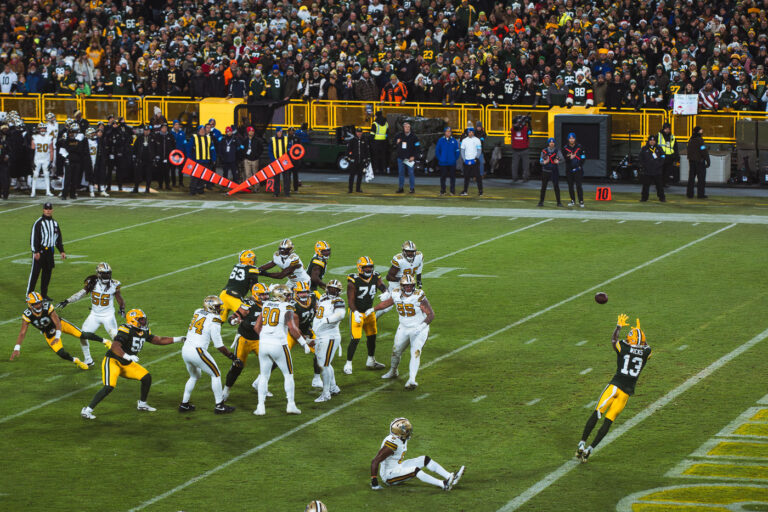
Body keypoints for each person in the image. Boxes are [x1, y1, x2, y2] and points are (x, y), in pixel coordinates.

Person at [80, 309, 184, 420]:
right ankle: (87, 410)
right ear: (133, 320)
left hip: (127, 364)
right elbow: (114, 346)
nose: (144, 321)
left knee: (146, 378)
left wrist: (179, 339)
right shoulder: (126, 330)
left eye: (144, 319)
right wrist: (127, 356)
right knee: (109, 386)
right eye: (141, 319)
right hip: (113, 361)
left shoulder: (143, 331)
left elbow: (158, 340)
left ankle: (142, 404)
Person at [577, 315, 651, 462]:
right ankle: (590, 449)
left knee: (597, 412)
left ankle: (582, 443)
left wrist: (618, 327)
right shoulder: (646, 353)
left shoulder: (623, 346)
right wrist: (641, 334)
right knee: (608, 421)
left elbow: (613, 340)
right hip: (625, 394)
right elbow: (646, 346)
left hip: (614, 387)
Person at [253, 284, 312, 416]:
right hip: (278, 345)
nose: (290, 297)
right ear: (282, 295)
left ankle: (260, 407)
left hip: (263, 344)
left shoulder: (267, 304)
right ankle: (290, 405)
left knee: (264, 376)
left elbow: (257, 327)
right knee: (288, 375)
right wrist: (304, 344)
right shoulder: (287, 307)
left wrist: (265, 337)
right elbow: (292, 328)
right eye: (288, 294)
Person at [10, 291, 104, 370]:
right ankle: (76, 361)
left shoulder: (47, 307)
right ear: (30, 305)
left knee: (82, 335)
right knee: (61, 353)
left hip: (60, 325)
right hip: (49, 333)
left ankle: (105, 341)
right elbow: (22, 332)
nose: (39, 305)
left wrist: (58, 336)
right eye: (36, 304)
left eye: (40, 302)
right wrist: (17, 348)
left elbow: (57, 322)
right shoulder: (27, 315)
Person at [56, 262, 125, 364]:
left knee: (116, 338)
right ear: (98, 274)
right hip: (94, 315)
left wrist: (122, 308)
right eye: (104, 273)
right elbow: (81, 293)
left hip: (108, 315)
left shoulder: (115, 284)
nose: (106, 276)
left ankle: (124, 357)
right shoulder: (92, 282)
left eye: (108, 273)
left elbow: (119, 297)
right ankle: (88, 359)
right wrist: (68, 301)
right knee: (83, 335)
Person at [178, 296, 238, 414]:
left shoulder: (197, 311)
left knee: (194, 376)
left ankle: (184, 404)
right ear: (210, 307)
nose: (220, 308)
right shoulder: (215, 320)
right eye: (217, 306)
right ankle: (219, 405)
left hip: (185, 349)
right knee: (216, 374)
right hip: (197, 351)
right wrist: (232, 356)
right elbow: (219, 345)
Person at [375, 275, 435, 390]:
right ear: (402, 286)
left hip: (419, 327)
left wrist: (421, 327)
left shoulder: (419, 295)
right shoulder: (396, 293)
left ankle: (412, 379)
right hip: (403, 326)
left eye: (411, 285)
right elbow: (388, 303)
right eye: (406, 286)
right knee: (396, 350)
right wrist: (372, 309)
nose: (408, 288)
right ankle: (393, 371)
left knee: (416, 352)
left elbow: (431, 314)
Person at [370, 417, 465, 490]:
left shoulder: (400, 438)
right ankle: (443, 484)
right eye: (407, 431)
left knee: (425, 459)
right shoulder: (391, 444)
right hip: (389, 475)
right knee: (415, 470)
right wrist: (374, 481)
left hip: (398, 467)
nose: (409, 432)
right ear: (400, 433)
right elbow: (375, 461)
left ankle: (450, 477)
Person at [221, 283, 271, 402]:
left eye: (266, 294)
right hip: (245, 339)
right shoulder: (248, 305)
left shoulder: (270, 305)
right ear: (255, 295)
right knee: (237, 365)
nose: (265, 297)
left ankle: (260, 384)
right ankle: (226, 390)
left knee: (270, 363)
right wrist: (234, 320)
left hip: (260, 340)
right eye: (262, 295)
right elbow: (233, 317)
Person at [344, 256, 388, 375]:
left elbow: (381, 285)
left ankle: (371, 360)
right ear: (360, 268)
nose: (369, 269)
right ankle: (348, 363)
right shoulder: (353, 280)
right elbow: (351, 300)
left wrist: (386, 292)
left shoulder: (375, 276)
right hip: (357, 312)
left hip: (369, 312)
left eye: (370, 267)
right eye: (366, 267)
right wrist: (355, 312)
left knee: (372, 337)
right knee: (356, 338)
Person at [312, 280, 345, 402]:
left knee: (323, 365)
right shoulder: (323, 298)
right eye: (331, 288)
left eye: (335, 289)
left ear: (339, 291)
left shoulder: (338, 301)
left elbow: (340, 314)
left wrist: (326, 320)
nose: (333, 291)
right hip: (321, 335)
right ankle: (333, 387)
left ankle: (326, 394)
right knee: (326, 363)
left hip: (329, 336)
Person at [27, 202, 66, 299]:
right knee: (35, 274)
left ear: (52, 210)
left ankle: (44, 295)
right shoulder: (39, 223)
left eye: (49, 209)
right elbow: (34, 238)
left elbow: (58, 238)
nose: (48, 211)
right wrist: (35, 251)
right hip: (40, 251)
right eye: (46, 209)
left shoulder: (55, 223)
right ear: (43, 210)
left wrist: (61, 251)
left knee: (47, 274)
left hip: (50, 252)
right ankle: (29, 295)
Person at [219, 250, 261, 323]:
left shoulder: (236, 266)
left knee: (218, 322)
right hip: (233, 296)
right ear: (250, 260)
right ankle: (240, 330)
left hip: (223, 294)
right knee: (247, 313)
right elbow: (254, 287)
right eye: (253, 259)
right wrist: (256, 297)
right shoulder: (252, 270)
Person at [59, 125, 87, 200]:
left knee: (75, 179)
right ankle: (64, 194)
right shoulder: (66, 141)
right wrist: (67, 157)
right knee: (67, 179)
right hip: (69, 161)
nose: (72, 134)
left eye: (73, 132)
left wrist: (72, 151)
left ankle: (72, 194)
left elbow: (80, 151)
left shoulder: (78, 141)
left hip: (77, 161)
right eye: (70, 132)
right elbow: (62, 151)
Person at [639, 135, 666, 203]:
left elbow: (663, 156)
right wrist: (644, 165)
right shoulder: (644, 148)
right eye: (651, 140)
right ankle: (644, 198)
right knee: (645, 186)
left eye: (653, 140)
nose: (652, 142)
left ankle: (662, 198)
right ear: (648, 141)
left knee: (659, 185)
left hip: (657, 170)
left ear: (655, 141)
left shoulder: (659, 148)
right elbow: (640, 158)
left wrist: (660, 164)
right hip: (647, 170)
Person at [395, 121, 419, 193]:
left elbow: (418, 147)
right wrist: (396, 142)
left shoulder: (414, 137)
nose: (407, 128)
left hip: (409, 159)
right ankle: (401, 188)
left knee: (411, 173)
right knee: (401, 173)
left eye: (408, 127)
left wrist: (414, 156)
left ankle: (412, 189)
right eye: (405, 127)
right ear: (403, 128)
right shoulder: (399, 135)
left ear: (410, 128)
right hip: (401, 158)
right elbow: (393, 142)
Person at [538, 138, 563, 207]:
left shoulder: (557, 151)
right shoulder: (544, 151)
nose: (551, 143)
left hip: (554, 171)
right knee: (543, 187)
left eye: (553, 142)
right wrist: (544, 162)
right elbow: (540, 161)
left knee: (556, 187)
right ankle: (541, 202)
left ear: (554, 143)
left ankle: (559, 202)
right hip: (545, 171)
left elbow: (562, 159)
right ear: (548, 143)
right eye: (550, 142)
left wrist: (558, 162)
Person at [562, 133, 586, 207]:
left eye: (573, 138)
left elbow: (583, 157)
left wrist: (579, 166)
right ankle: (572, 200)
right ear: (568, 139)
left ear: (575, 139)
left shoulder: (580, 147)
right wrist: (569, 158)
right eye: (570, 138)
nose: (571, 140)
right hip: (569, 169)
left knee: (579, 185)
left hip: (578, 169)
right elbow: (564, 158)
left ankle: (581, 201)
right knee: (570, 186)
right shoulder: (565, 148)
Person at [30, 123, 54, 197]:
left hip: (46, 159)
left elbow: (51, 150)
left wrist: (51, 160)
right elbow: (32, 150)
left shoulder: (49, 137)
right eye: (41, 128)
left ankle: (48, 191)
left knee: (47, 175)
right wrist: (31, 160)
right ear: (38, 129)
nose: (43, 130)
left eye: (44, 128)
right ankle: (33, 191)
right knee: (35, 175)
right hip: (37, 159)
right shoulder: (35, 137)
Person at [346, 126, 371, 193]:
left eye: (360, 132)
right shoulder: (352, 140)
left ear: (362, 133)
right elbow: (348, 150)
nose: (359, 133)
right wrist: (349, 158)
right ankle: (350, 189)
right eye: (358, 132)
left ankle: (358, 188)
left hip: (361, 160)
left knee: (360, 175)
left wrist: (367, 159)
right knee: (352, 175)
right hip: (354, 161)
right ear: (356, 133)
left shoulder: (365, 140)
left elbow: (367, 150)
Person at [435, 126, 459, 195]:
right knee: (443, 178)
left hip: (452, 163)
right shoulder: (440, 140)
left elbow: (457, 151)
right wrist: (440, 159)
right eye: (447, 131)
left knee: (452, 178)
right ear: (445, 132)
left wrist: (454, 159)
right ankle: (443, 191)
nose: (448, 133)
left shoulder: (454, 140)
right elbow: (437, 151)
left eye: (449, 132)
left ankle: (452, 191)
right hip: (443, 163)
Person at [686, 126, 709, 199]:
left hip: (692, 161)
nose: (702, 132)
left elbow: (689, 150)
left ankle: (690, 194)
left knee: (691, 179)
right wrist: (708, 160)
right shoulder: (700, 140)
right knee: (701, 179)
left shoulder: (691, 140)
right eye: (701, 130)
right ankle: (700, 194)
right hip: (699, 162)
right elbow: (703, 151)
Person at [190, 125, 213, 195]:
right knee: (195, 177)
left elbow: (212, 149)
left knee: (203, 177)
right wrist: (190, 158)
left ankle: (200, 189)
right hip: (197, 160)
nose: (202, 131)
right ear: (198, 131)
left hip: (206, 161)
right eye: (201, 130)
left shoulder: (208, 138)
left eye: (203, 130)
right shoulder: (194, 137)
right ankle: (193, 190)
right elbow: (189, 148)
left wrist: (213, 158)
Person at [152, 123, 176, 191]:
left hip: (168, 158)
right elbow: (154, 147)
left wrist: (172, 155)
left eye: (165, 128)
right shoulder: (157, 136)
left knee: (167, 172)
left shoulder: (170, 136)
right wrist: (156, 155)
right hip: (159, 158)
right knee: (160, 172)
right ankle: (160, 185)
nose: (164, 129)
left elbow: (174, 146)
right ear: (161, 128)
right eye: (163, 128)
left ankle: (167, 185)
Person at [459, 127, 483, 196]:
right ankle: (465, 191)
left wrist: (475, 159)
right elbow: (462, 151)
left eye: (472, 132)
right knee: (466, 177)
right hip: (467, 161)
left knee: (478, 177)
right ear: (468, 133)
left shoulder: (477, 140)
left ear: (474, 133)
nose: (471, 133)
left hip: (475, 161)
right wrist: (465, 160)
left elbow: (479, 150)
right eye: (470, 132)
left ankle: (480, 191)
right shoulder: (464, 140)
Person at [132, 124, 154, 193]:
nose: (146, 132)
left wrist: (154, 156)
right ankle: (136, 188)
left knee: (148, 174)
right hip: (140, 158)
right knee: (137, 174)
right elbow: (135, 147)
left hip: (149, 159)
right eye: (145, 130)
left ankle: (147, 188)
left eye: (147, 130)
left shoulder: (152, 137)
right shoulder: (139, 137)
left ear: (149, 131)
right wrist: (134, 155)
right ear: (143, 131)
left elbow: (155, 148)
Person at [270, 126, 290, 197]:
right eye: (278, 132)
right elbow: (270, 151)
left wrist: (287, 158)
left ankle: (287, 192)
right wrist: (273, 160)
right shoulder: (272, 139)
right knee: (276, 178)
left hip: (284, 161)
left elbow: (288, 148)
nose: (279, 133)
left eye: (281, 132)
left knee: (286, 177)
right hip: (276, 161)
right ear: (276, 132)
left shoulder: (286, 138)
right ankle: (276, 192)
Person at [510, 116, 531, 182]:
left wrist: (527, 123)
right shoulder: (515, 129)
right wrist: (526, 123)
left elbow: (530, 132)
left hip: (522, 149)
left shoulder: (523, 128)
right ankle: (516, 177)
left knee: (524, 165)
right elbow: (518, 128)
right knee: (518, 165)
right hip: (519, 149)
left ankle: (523, 177)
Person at [242, 126, 262, 191]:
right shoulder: (245, 140)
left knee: (255, 174)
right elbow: (242, 149)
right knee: (247, 174)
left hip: (255, 160)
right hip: (247, 159)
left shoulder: (257, 140)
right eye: (250, 131)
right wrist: (244, 156)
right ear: (248, 132)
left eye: (252, 131)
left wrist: (257, 155)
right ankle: (249, 187)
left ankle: (256, 187)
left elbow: (261, 149)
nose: (251, 132)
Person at [370, 111, 389, 176]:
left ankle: (376, 169)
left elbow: (372, 134)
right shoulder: (386, 123)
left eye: (375, 115)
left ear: (377, 116)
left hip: (376, 142)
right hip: (383, 142)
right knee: (383, 156)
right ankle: (384, 169)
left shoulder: (375, 123)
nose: (374, 117)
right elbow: (387, 133)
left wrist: (370, 141)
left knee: (375, 156)